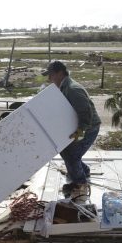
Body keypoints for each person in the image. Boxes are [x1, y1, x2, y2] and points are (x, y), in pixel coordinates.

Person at [42, 61, 101, 200]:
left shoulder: (73, 89)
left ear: (60, 73)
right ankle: (84, 171)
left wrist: (80, 131)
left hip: (89, 128)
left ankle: (80, 184)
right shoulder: (63, 87)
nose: (49, 79)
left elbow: (86, 113)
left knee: (73, 156)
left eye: (51, 75)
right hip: (79, 127)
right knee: (65, 151)